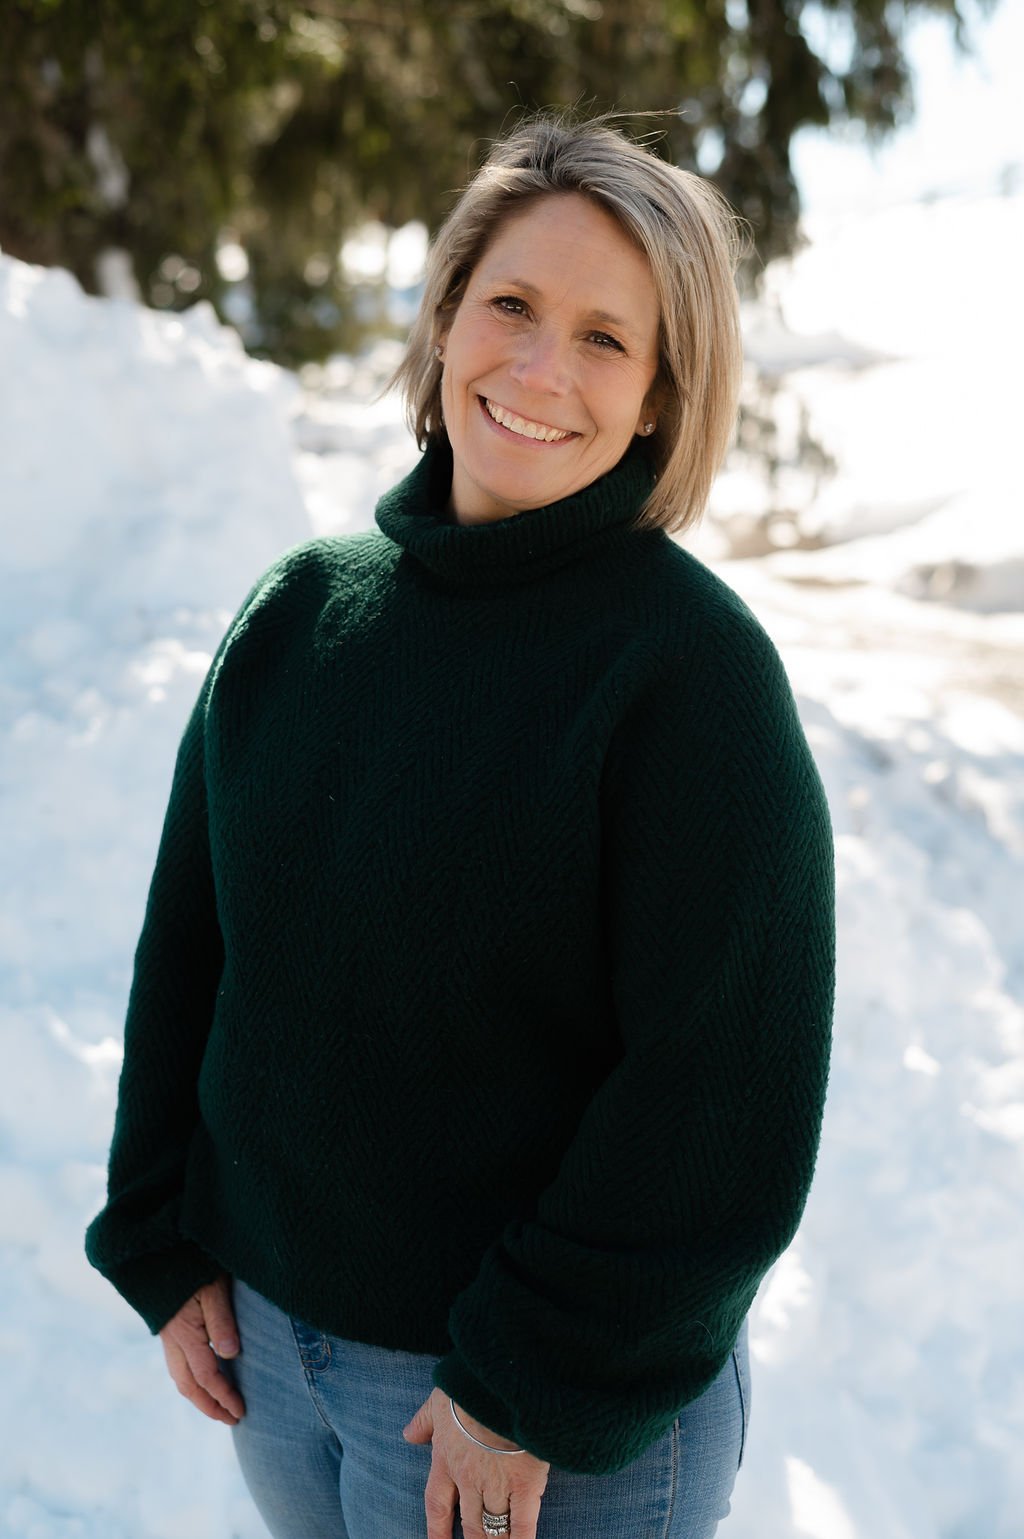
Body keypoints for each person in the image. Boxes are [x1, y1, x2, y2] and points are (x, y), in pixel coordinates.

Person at [85, 112, 835, 1539]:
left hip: (533, 1418)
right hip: (276, 1365)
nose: (542, 369)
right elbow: (194, 948)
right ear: (443, 320)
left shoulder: (688, 678)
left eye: (609, 339)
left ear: (667, 396)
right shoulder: (303, 612)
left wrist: (531, 1380)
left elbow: (719, 1104)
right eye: (512, 305)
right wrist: (161, 1225)